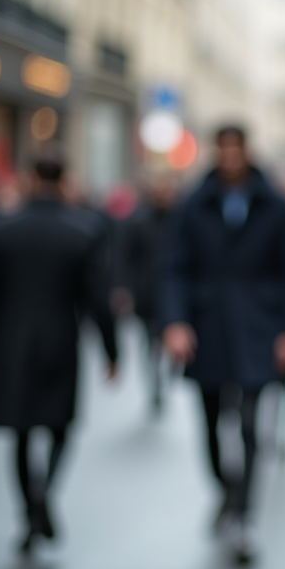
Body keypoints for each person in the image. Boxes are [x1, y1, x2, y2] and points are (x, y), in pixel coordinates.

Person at [161, 125, 285, 565]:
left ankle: (243, 516)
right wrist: (176, 322)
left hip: (258, 327)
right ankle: (225, 489)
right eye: (221, 150)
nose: (229, 158)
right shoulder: (194, 204)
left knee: (248, 424)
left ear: (245, 152)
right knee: (208, 423)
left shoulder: (275, 205)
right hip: (207, 328)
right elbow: (174, 268)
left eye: (235, 149)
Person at [0, 155, 119, 554]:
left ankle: (30, 506)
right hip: (60, 340)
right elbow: (97, 299)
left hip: (12, 341)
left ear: (31, 179)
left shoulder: (2, 228)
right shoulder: (83, 231)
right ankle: (44, 494)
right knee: (59, 425)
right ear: (65, 180)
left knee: (22, 431)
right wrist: (111, 351)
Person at [116, 176, 178, 414]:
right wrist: (126, 289)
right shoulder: (139, 221)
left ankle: (169, 373)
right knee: (151, 342)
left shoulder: (180, 221)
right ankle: (155, 384)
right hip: (148, 294)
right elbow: (126, 258)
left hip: (173, 295)